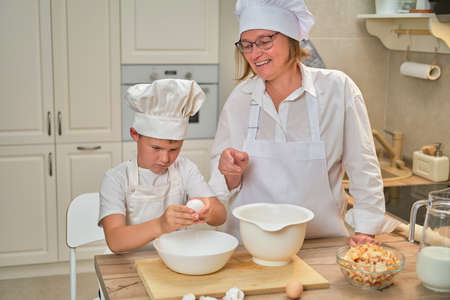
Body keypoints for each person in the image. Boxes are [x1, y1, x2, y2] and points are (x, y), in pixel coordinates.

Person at [208, 0, 386, 246]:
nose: (254, 53)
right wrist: (229, 172)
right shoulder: (240, 99)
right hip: (251, 245)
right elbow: (221, 188)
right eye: (246, 45)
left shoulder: (337, 89)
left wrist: (366, 228)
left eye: (264, 41)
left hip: (321, 242)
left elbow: (363, 166)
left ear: (292, 38)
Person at [99, 79, 227, 253]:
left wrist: (209, 212)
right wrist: (160, 225)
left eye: (174, 149)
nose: (165, 158)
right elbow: (115, 241)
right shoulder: (116, 178)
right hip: (127, 265)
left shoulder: (185, 169)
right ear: (135, 134)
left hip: (174, 260)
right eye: (156, 148)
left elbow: (221, 216)